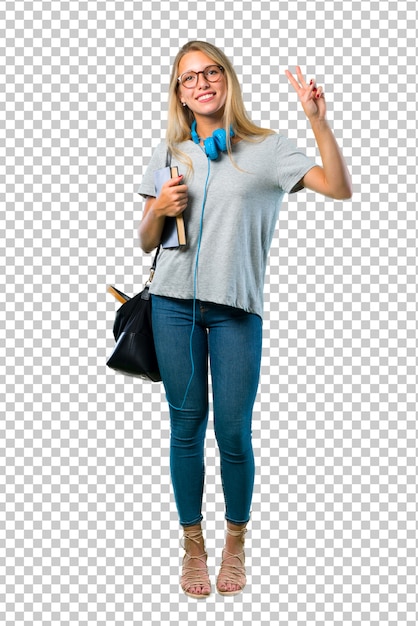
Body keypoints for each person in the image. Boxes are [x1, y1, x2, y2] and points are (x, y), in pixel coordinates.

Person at [137, 40, 352, 598]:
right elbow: (144, 242)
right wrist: (159, 208)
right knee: (185, 429)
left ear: (228, 79)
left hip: (236, 312)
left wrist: (318, 124)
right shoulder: (171, 151)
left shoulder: (269, 149)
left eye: (211, 72)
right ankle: (193, 545)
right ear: (180, 96)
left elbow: (339, 188)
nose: (202, 82)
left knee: (232, 431)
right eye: (189, 79)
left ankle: (235, 542)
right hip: (172, 307)